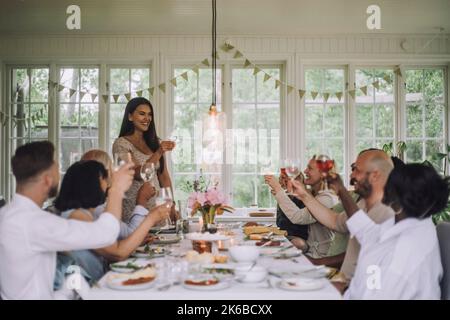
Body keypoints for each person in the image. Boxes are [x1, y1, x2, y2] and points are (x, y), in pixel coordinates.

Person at [0, 141, 134, 299]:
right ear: (47, 179)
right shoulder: (34, 222)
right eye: (57, 171)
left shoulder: (7, 214)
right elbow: (105, 234)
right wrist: (117, 190)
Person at [330, 162, 448, 299]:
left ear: (395, 195)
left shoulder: (399, 259)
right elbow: (368, 232)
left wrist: (341, 292)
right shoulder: (418, 223)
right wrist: (340, 189)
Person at [290, 149, 395, 292]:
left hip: (352, 289)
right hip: (342, 281)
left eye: (356, 170)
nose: (351, 175)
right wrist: (304, 195)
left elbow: (376, 282)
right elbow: (334, 221)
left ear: (375, 175)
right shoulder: (363, 204)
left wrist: (340, 190)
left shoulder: (389, 213)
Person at [54, 160, 170, 282]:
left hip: (100, 283)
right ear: (91, 184)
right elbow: (118, 253)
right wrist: (151, 218)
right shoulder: (76, 217)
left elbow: (111, 252)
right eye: (105, 179)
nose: (108, 185)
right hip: (91, 291)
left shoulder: (85, 214)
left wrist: (136, 242)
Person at [112, 97, 176, 222]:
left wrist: (171, 205)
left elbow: (164, 177)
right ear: (130, 117)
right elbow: (137, 174)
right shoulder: (121, 144)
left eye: (149, 115)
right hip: (134, 210)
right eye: (142, 114)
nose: (147, 119)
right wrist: (159, 152)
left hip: (158, 210)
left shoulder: (155, 142)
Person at [265, 155, 338, 258]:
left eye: (310, 168)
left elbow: (298, 217)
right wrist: (284, 192)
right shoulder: (314, 193)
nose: (305, 171)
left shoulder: (327, 198)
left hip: (320, 256)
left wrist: (278, 189)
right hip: (309, 252)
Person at [81, 149, 156, 239]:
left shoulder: (92, 202)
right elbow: (130, 236)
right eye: (111, 167)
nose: (114, 173)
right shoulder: (95, 208)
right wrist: (142, 200)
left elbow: (118, 237)